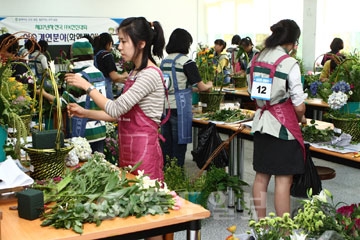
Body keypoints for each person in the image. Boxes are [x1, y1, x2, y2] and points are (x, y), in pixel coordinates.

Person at [246, 19, 307, 219]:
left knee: (261, 177)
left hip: (261, 123)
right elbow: (298, 105)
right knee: (283, 180)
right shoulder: (289, 63)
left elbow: (252, 92)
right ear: (292, 41)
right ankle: (283, 229)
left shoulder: (255, 58)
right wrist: (301, 117)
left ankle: (261, 224)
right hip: (282, 126)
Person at [40, 38, 107, 153]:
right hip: (100, 130)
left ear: (74, 56)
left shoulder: (78, 78)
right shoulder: (98, 73)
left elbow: (61, 103)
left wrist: (43, 93)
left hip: (85, 133)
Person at [160, 28, 213, 167]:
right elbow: (202, 87)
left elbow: (174, 85)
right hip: (181, 108)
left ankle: (166, 175)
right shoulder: (186, 62)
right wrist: (209, 85)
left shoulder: (164, 62)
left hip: (165, 107)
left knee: (166, 144)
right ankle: (177, 177)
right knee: (179, 144)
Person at [93, 32, 128, 99]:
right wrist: (125, 75)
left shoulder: (96, 55)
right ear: (108, 43)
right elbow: (114, 77)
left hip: (96, 89)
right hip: (106, 89)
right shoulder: (107, 55)